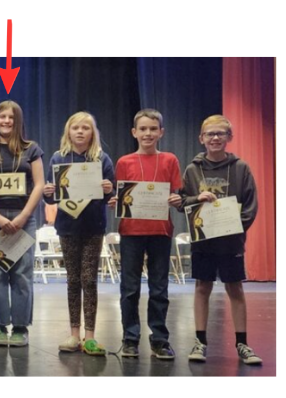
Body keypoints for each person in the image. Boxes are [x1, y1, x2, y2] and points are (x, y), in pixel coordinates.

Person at [180, 115, 262, 365]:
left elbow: (250, 205)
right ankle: (200, 342)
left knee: (235, 288)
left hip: (230, 241)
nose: (215, 138)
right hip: (203, 240)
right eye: (210, 134)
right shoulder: (193, 169)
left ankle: (242, 344)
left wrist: (235, 228)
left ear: (229, 138)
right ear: (201, 138)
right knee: (202, 287)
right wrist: (196, 200)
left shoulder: (241, 168)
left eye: (220, 133)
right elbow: (182, 201)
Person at [111, 109, 183, 360]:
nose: (148, 133)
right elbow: (121, 196)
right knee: (129, 289)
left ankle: (160, 340)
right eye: (143, 129)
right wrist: (115, 201)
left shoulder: (170, 160)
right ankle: (130, 338)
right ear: (134, 132)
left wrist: (176, 199)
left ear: (161, 132)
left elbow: (177, 194)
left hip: (161, 232)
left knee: (159, 289)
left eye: (153, 129)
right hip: (131, 231)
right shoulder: (124, 162)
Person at [42, 111, 115, 355]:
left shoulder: (102, 159)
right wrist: (48, 191)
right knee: (73, 280)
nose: (81, 131)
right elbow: (50, 196)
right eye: (76, 128)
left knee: (89, 280)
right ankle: (74, 334)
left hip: (94, 227)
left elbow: (111, 195)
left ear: (93, 132)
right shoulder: (57, 158)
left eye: (86, 128)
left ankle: (90, 336)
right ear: (68, 132)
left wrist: (108, 189)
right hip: (67, 227)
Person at [0, 101, 45, 347]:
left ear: (18, 122)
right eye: (1, 117)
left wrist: (24, 216)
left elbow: (39, 184)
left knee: (22, 275)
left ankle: (19, 327)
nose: (6, 121)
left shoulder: (31, 149)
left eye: (11, 118)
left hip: (23, 218)